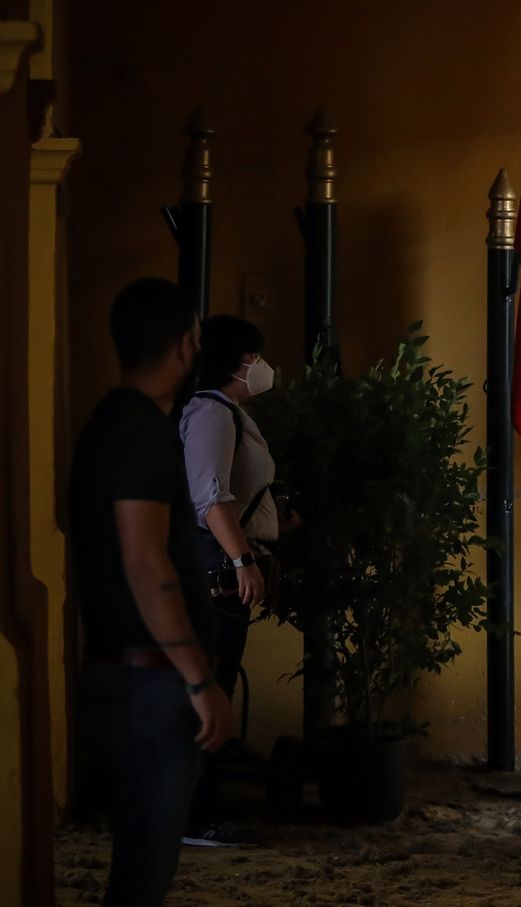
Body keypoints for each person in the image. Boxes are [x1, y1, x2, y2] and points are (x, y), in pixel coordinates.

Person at [69, 277, 233, 906]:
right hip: (153, 682)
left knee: (139, 867)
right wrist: (197, 679)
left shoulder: (106, 426)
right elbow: (146, 561)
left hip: (128, 676)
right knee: (143, 876)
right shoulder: (140, 433)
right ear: (186, 345)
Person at [177, 314, 287, 847]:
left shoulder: (230, 413)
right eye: (254, 357)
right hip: (217, 573)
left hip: (229, 568)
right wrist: (242, 561)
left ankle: (202, 809)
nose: (261, 367)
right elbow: (210, 497)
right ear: (236, 362)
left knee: (219, 684)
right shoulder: (211, 412)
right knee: (210, 688)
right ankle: (196, 816)